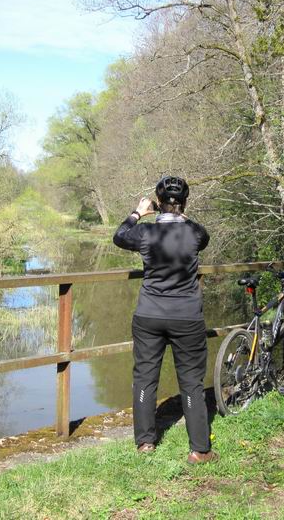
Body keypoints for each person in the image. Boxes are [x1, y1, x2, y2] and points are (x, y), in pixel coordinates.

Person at [113, 176, 218, 464]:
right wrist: (178, 213)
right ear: (184, 203)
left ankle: (145, 443)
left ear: (158, 203)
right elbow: (202, 234)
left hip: (150, 314)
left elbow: (120, 235)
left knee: (145, 378)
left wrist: (138, 212)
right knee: (192, 382)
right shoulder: (194, 233)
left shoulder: (145, 233)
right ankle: (199, 450)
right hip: (186, 316)